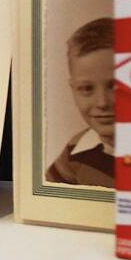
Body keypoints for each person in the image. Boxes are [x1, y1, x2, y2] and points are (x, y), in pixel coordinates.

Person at [46, 17, 114, 188]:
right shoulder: (75, 151)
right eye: (86, 89)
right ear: (73, 89)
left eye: (115, 86)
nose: (102, 102)